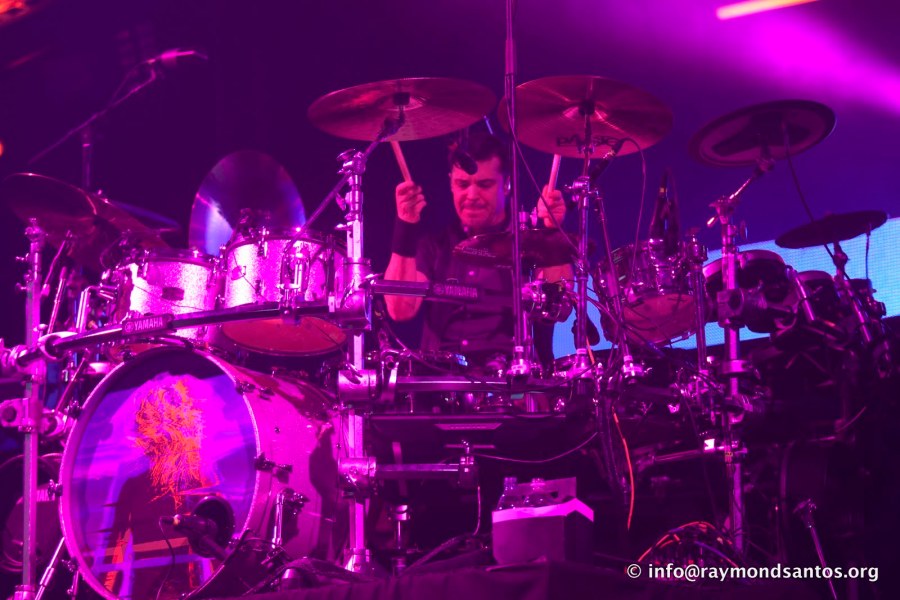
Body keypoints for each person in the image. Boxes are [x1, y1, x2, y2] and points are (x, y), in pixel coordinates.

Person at [384, 132, 570, 371]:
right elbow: (400, 310)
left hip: (514, 381)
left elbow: (561, 306)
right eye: (463, 184)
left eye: (484, 184)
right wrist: (406, 224)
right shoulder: (434, 247)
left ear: (507, 185)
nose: (471, 196)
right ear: (451, 183)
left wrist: (552, 231)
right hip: (443, 383)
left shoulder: (529, 243)